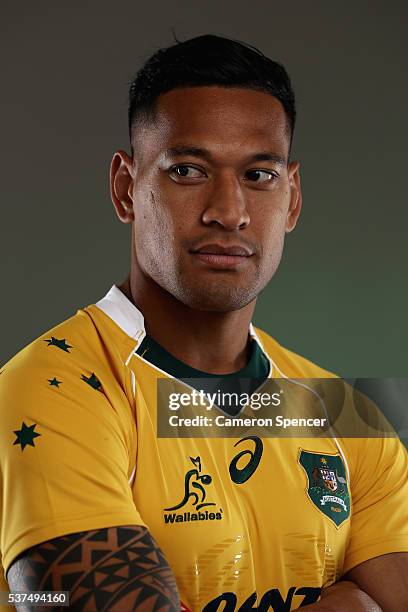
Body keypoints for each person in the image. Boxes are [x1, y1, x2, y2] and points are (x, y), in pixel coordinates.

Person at [1, 34, 407, 612]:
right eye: (188, 170)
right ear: (126, 189)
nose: (228, 211)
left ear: (292, 199)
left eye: (259, 176)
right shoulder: (49, 390)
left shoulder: (345, 412)